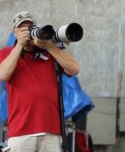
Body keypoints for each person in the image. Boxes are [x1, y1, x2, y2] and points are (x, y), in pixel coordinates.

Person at [0, 11, 80, 151]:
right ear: (15, 31)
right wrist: (19, 45)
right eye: (22, 28)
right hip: (21, 131)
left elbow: (74, 69)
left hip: (51, 130)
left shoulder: (49, 52)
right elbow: (3, 74)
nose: (27, 32)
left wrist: (49, 46)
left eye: (30, 28)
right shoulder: (7, 53)